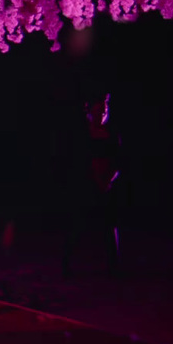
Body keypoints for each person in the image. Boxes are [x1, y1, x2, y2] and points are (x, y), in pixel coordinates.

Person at [62, 92, 124, 278]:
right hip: (87, 185)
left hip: (106, 186)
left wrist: (108, 179)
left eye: (105, 110)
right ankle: (66, 264)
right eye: (99, 110)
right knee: (78, 225)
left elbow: (119, 161)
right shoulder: (82, 136)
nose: (102, 114)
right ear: (89, 112)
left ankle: (113, 267)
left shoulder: (112, 135)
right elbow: (77, 160)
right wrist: (92, 178)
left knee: (109, 227)